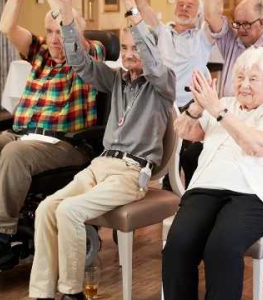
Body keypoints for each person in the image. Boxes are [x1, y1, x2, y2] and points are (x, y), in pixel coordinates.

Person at [28, 0, 175, 299]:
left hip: (132, 173)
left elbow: (152, 59)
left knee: (69, 211)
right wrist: (67, 21)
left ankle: (71, 293)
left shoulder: (163, 84)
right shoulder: (116, 79)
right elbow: (79, 63)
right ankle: (41, 293)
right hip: (100, 165)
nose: (130, 54)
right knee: (46, 209)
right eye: (125, 48)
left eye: (136, 48)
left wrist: (133, 12)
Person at [162, 46, 263, 300]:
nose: (244, 85)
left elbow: (255, 146)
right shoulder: (222, 103)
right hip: (206, 188)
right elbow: (185, 131)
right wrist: (197, 108)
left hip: (254, 193)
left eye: (253, 79)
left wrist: (218, 112)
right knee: (177, 246)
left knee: (221, 247)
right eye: (240, 77)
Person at [0, 0, 104, 267]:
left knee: (15, 153)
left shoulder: (90, 55)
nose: (55, 39)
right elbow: (6, 26)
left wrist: (61, 9)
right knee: (8, 147)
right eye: (50, 31)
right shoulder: (39, 51)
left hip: (65, 144)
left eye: (60, 31)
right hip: (23, 135)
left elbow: (72, 32)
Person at [135, 0, 214, 188]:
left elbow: (214, 13)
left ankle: (193, 191)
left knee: (190, 156)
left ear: (198, 12)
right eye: (181, 4)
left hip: (192, 107)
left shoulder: (203, 36)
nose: (184, 8)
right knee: (168, 157)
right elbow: (142, 7)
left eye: (190, 5)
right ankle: (170, 191)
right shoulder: (161, 31)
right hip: (165, 107)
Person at [204, 0, 263, 97]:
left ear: (262, 23)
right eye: (237, 24)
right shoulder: (231, 41)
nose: (241, 29)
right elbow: (210, 16)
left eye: (246, 24)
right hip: (229, 108)